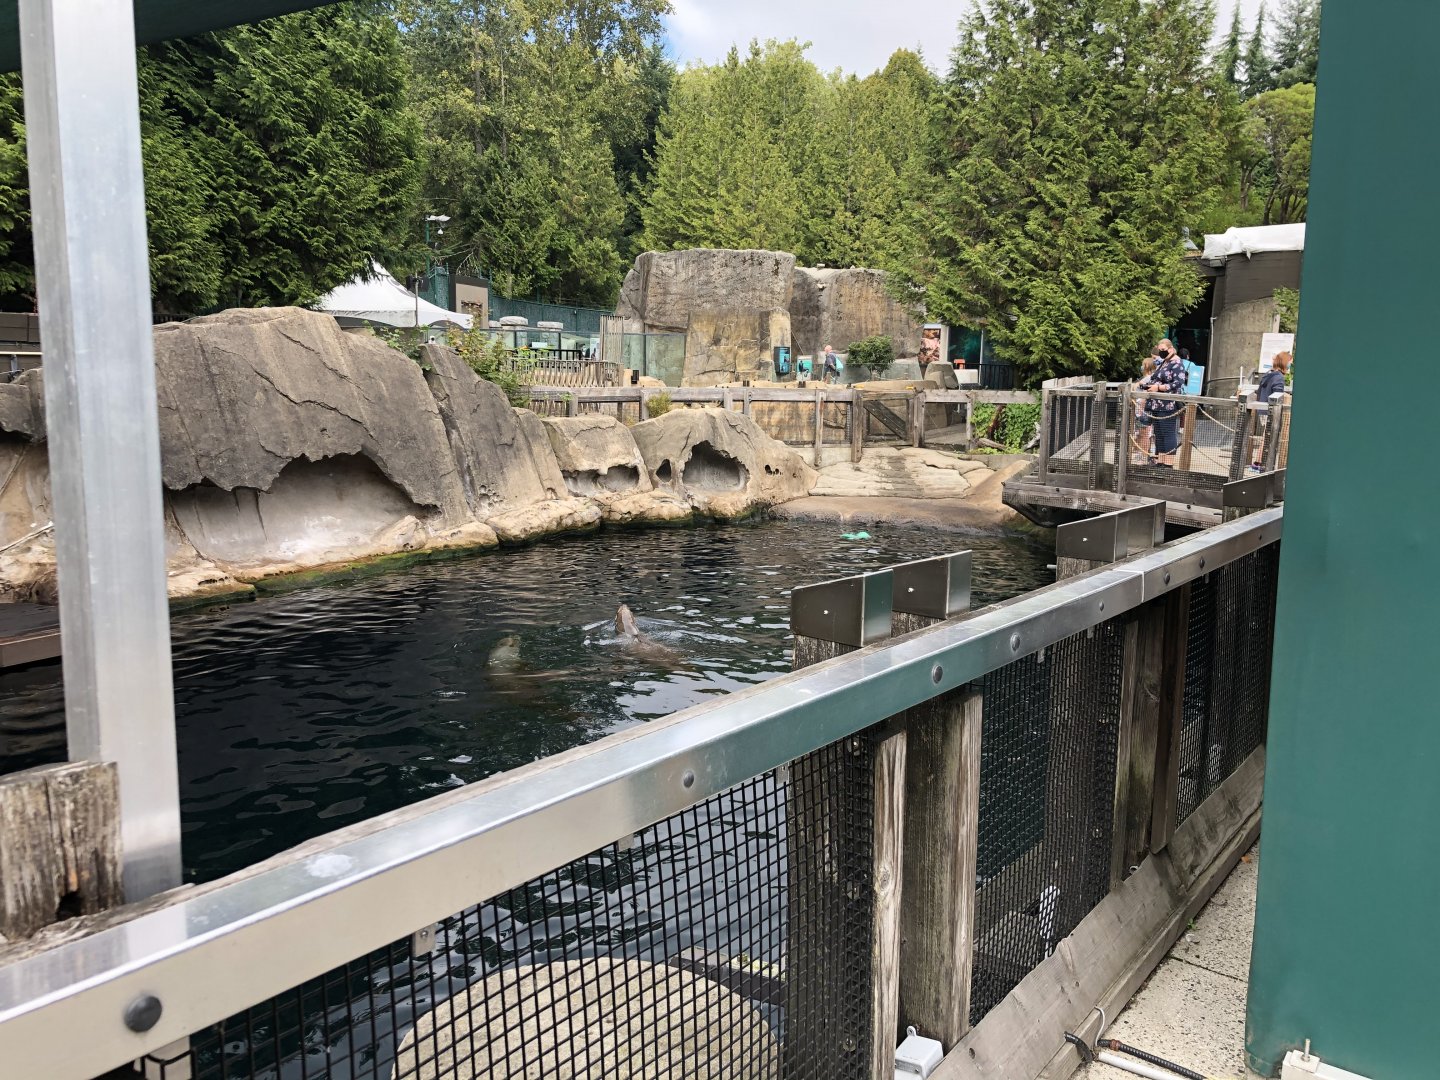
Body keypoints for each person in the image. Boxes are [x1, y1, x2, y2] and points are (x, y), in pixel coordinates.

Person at [1138, 338, 1186, 466]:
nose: (1161, 353)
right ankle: (1160, 462)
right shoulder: (1163, 362)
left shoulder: (1177, 363)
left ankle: (1168, 464)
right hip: (1156, 404)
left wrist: (1159, 388)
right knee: (1158, 433)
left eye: (1163, 350)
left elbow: (1178, 383)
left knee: (1168, 433)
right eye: (1160, 350)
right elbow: (1154, 378)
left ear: (1171, 349)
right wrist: (1145, 386)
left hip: (1168, 404)